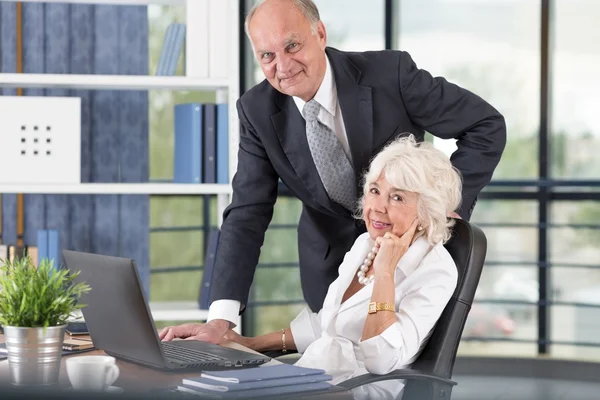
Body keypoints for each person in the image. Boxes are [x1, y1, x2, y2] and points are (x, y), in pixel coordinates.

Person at [159, 0, 505, 344]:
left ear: (320, 33)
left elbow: (485, 125)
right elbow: (247, 213)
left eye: (291, 45)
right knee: (331, 368)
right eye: (267, 56)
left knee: (394, 364)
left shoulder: (390, 74)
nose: (282, 65)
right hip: (332, 271)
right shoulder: (257, 111)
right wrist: (221, 319)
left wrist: (444, 205)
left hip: (407, 260)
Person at [166, 135, 461, 399]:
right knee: (188, 382)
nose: (378, 207)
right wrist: (241, 342)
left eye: (397, 197)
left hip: (360, 389)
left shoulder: (436, 270)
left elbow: (381, 360)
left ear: (427, 211)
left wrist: (385, 273)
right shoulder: (365, 245)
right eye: (374, 191)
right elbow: (329, 323)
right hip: (315, 375)